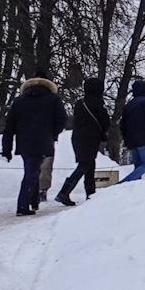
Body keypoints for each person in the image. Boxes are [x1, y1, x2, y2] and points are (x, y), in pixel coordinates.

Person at [0, 76, 69, 215]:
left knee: (32, 169)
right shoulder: (53, 100)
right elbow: (62, 119)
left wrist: (7, 149)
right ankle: (22, 206)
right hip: (43, 140)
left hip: (24, 142)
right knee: (31, 172)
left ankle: (33, 201)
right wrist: (52, 134)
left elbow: (9, 126)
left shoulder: (19, 101)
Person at [54, 78, 111, 207]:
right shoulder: (98, 102)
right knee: (85, 165)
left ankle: (91, 194)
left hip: (78, 136)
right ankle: (64, 192)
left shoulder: (80, 102)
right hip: (91, 137)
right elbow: (105, 121)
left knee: (88, 164)